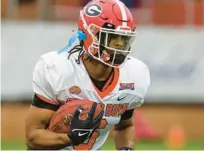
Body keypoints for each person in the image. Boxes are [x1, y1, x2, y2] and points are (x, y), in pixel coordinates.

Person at [25, 0, 150, 150]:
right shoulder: (58, 69)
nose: (119, 45)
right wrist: (69, 138)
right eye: (111, 37)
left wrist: (126, 148)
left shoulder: (133, 75)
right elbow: (33, 137)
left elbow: (124, 126)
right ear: (90, 34)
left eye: (124, 39)